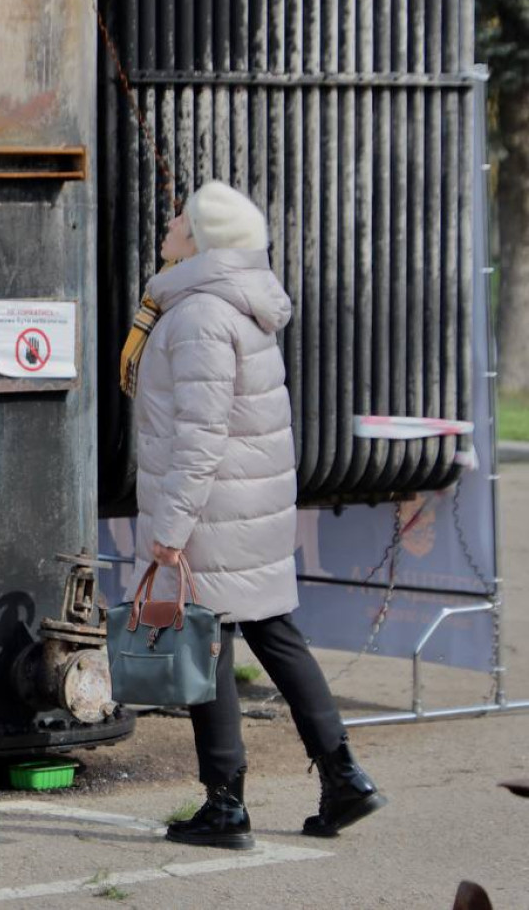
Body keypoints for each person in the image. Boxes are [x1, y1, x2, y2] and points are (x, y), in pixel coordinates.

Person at [128, 179, 387, 850]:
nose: (169, 224)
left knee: (205, 642)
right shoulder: (237, 304)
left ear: (201, 240)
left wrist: (169, 529)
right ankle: (343, 776)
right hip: (246, 507)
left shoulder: (198, 315)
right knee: (273, 632)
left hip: (212, 513)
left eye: (180, 219)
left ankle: (225, 804)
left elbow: (199, 437)